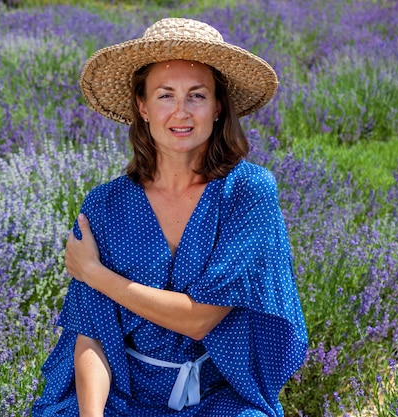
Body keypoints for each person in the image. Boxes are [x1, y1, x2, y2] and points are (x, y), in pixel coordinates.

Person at [33, 17, 308, 417]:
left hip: (220, 397)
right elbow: (90, 334)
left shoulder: (247, 192)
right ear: (142, 107)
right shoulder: (105, 205)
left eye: (197, 96)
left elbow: (200, 320)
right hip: (122, 397)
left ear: (217, 108)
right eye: (165, 96)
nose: (181, 112)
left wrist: (95, 274)